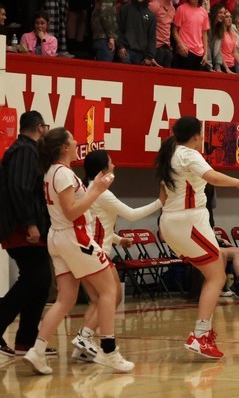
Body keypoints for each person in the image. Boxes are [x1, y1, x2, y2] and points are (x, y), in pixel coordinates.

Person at [23, 127, 130, 375]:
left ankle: (37, 351)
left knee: (66, 299)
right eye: (72, 139)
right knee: (109, 291)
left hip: (59, 238)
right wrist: (97, 191)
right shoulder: (62, 173)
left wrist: (95, 188)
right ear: (64, 147)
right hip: (74, 236)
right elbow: (72, 212)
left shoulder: (52, 172)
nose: (76, 142)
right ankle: (109, 351)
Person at [154, 116, 239, 359]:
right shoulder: (189, 154)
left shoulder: (170, 154)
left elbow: (162, 196)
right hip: (189, 221)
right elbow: (213, 177)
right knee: (217, 276)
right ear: (196, 135)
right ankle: (201, 335)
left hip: (172, 221)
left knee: (215, 266)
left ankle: (205, 330)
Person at [71, 150, 163, 362]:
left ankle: (83, 346)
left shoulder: (87, 190)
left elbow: (94, 225)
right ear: (103, 169)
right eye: (111, 162)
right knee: (112, 297)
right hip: (96, 253)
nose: (114, 166)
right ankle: (85, 338)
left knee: (98, 301)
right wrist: (160, 201)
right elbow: (131, 214)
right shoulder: (102, 193)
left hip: (86, 251)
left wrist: (118, 240)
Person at [0, 112, 51, 358]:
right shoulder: (24, 151)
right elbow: (20, 189)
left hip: (28, 226)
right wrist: (30, 224)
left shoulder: (28, 150)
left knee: (41, 281)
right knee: (34, 277)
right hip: (21, 228)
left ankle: (26, 341)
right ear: (40, 128)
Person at [172, 0, 210, 71]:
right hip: (185, 52)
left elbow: (204, 33)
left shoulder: (203, 12)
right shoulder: (181, 9)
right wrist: (181, 45)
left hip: (199, 53)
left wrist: (206, 53)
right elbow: (174, 31)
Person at [117, 0, 157, 65]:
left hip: (141, 55)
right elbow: (118, 29)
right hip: (125, 51)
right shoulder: (125, 9)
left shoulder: (151, 16)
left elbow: (151, 37)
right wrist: (120, 46)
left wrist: (149, 56)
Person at [148, 0, 177, 67]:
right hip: (156, 47)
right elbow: (145, 27)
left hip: (167, 46)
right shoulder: (154, 5)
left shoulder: (172, 9)